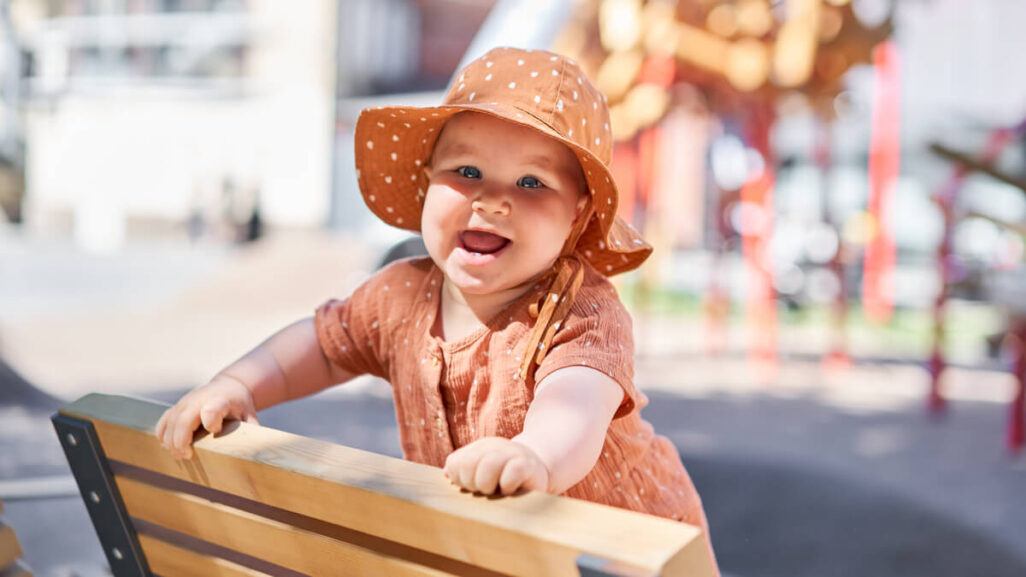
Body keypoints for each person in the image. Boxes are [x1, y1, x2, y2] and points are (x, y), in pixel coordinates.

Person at [156, 47, 717, 565]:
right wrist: (239, 385)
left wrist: (536, 456)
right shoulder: (399, 296)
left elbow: (573, 409)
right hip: (503, 548)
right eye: (467, 171)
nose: (493, 198)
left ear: (576, 214)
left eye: (531, 181)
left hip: (636, 552)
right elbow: (320, 349)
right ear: (427, 181)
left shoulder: (581, 312)